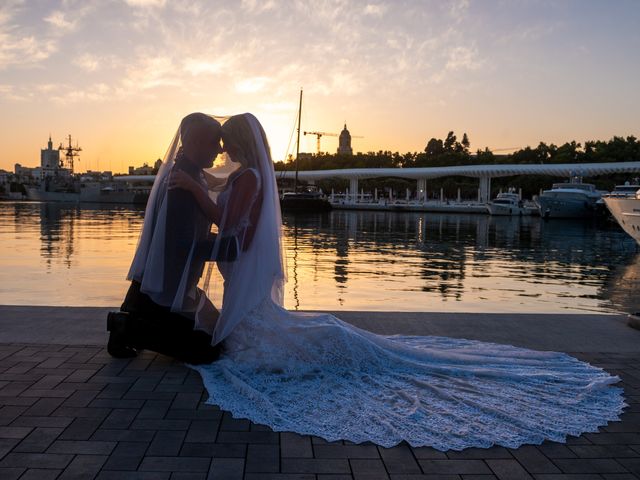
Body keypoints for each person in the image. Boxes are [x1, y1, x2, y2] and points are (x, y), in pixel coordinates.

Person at [177, 113, 625, 450]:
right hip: (240, 268)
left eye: (224, 141)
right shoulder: (247, 175)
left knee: (252, 344)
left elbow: (228, 222)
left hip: (240, 266)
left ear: (238, 142)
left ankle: (335, 341)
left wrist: (194, 189)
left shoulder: (249, 177)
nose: (220, 148)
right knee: (256, 329)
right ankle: (330, 337)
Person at [107, 113, 236, 364]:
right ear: (195, 143)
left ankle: (134, 318)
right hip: (166, 285)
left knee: (219, 338)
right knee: (206, 351)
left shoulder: (190, 176)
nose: (220, 149)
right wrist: (228, 248)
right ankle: (126, 326)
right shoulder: (180, 184)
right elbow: (181, 244)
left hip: (170, 282)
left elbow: (187, 234)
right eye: (214, 142)